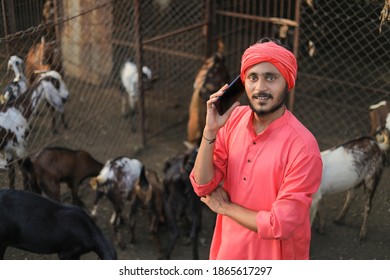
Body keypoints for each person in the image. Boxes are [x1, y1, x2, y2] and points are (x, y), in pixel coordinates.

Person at [189, 38, 323, 260]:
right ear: (243, 83)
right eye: (252, 78)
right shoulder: (233, 120)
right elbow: (202, 185)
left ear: (287, 82)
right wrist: (210, 131)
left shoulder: (303, 147)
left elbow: (280, 224)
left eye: (271, 77)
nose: (260, 87)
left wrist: (226, 208)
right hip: (229, 250)